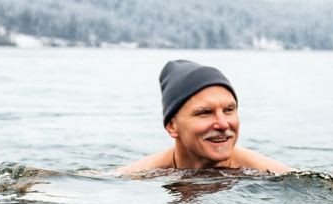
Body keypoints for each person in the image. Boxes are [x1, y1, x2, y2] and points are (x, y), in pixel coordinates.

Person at [115, 59, 292, 176]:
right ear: (172, 126)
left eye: (229, 110)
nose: (223, 124)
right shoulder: (136, 175)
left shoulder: (272, 173)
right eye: (205, 112)